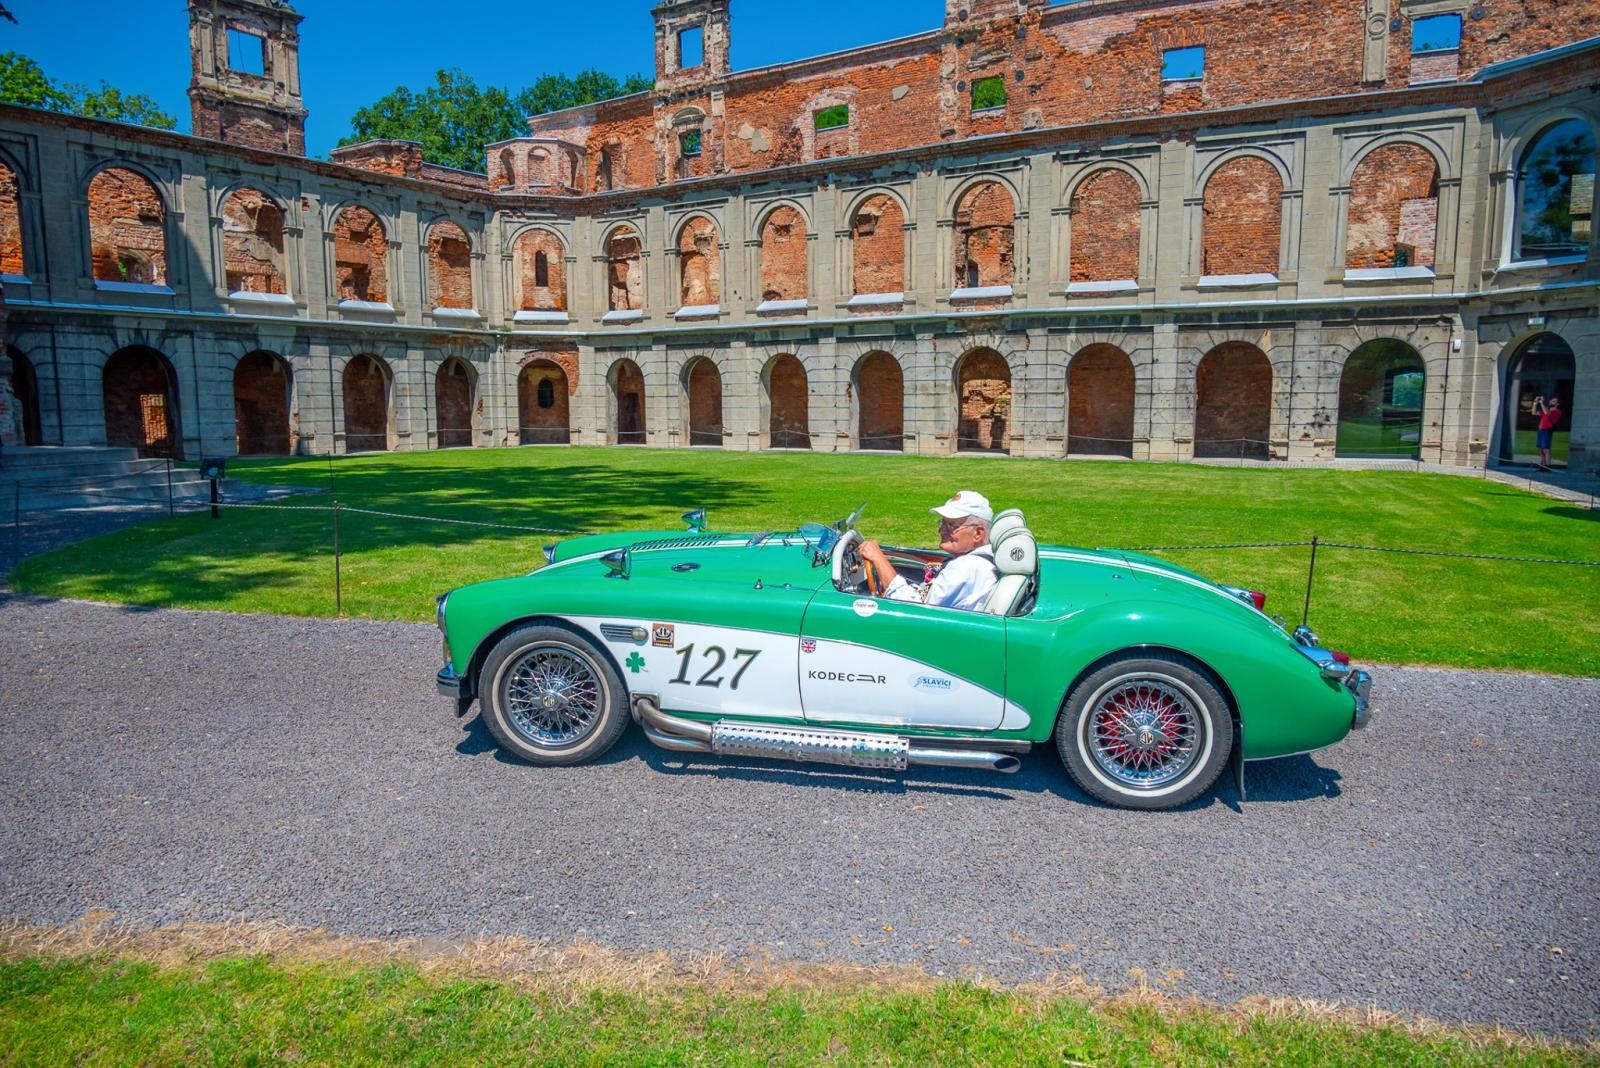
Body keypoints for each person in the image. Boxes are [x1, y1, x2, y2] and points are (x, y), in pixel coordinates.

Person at [858, 490, 999, 612]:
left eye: (951, 525)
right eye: (942, 523)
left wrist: (879, 559)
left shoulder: (966, 568)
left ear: (978, 534)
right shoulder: (982, 560)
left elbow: (912, 607)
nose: (941, 530)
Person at [1533, 394, 1563, 471]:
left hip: (1547, 430)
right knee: (1541, 449)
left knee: (1546, 449)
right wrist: (1535, 403)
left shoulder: (1557, 411)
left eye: (1553, 401)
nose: (1551, 401)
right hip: (1541, 430)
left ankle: (1548, 466)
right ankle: (1542, 466)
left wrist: (1542, 403)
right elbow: (1534, 412)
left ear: (1557, 404)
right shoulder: (1547, 409)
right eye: (1551, 400)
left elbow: (1547, 413)